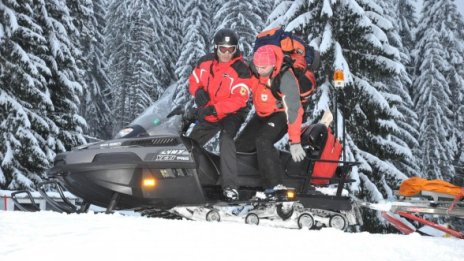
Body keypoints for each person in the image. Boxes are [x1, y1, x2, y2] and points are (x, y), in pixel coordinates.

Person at [236, 44, 309, 194]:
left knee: (263, 140)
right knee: (240, 146)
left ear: (273, 64)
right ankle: (247, 185)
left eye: (264, 68)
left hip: (282, 113)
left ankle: (275, 187)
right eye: (258, 67)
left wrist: (295, 141)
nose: (260, 71)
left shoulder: (285, 77)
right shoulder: (254, 71)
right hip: (262, 114)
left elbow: (294, 109)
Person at [188, 28, 251, 201]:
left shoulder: (242, 70)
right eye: (223, 49)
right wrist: (198, 90)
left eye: (231, 49)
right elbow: (193, 80)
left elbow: (239, 99)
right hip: (210, 111)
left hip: (232, 113)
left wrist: (215, 109)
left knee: (226, 140)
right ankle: (189, 180)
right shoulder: (205, 62)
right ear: (216, 48)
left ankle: (230, 187)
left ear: (236, 49)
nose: (226, 53)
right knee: (191, 144)